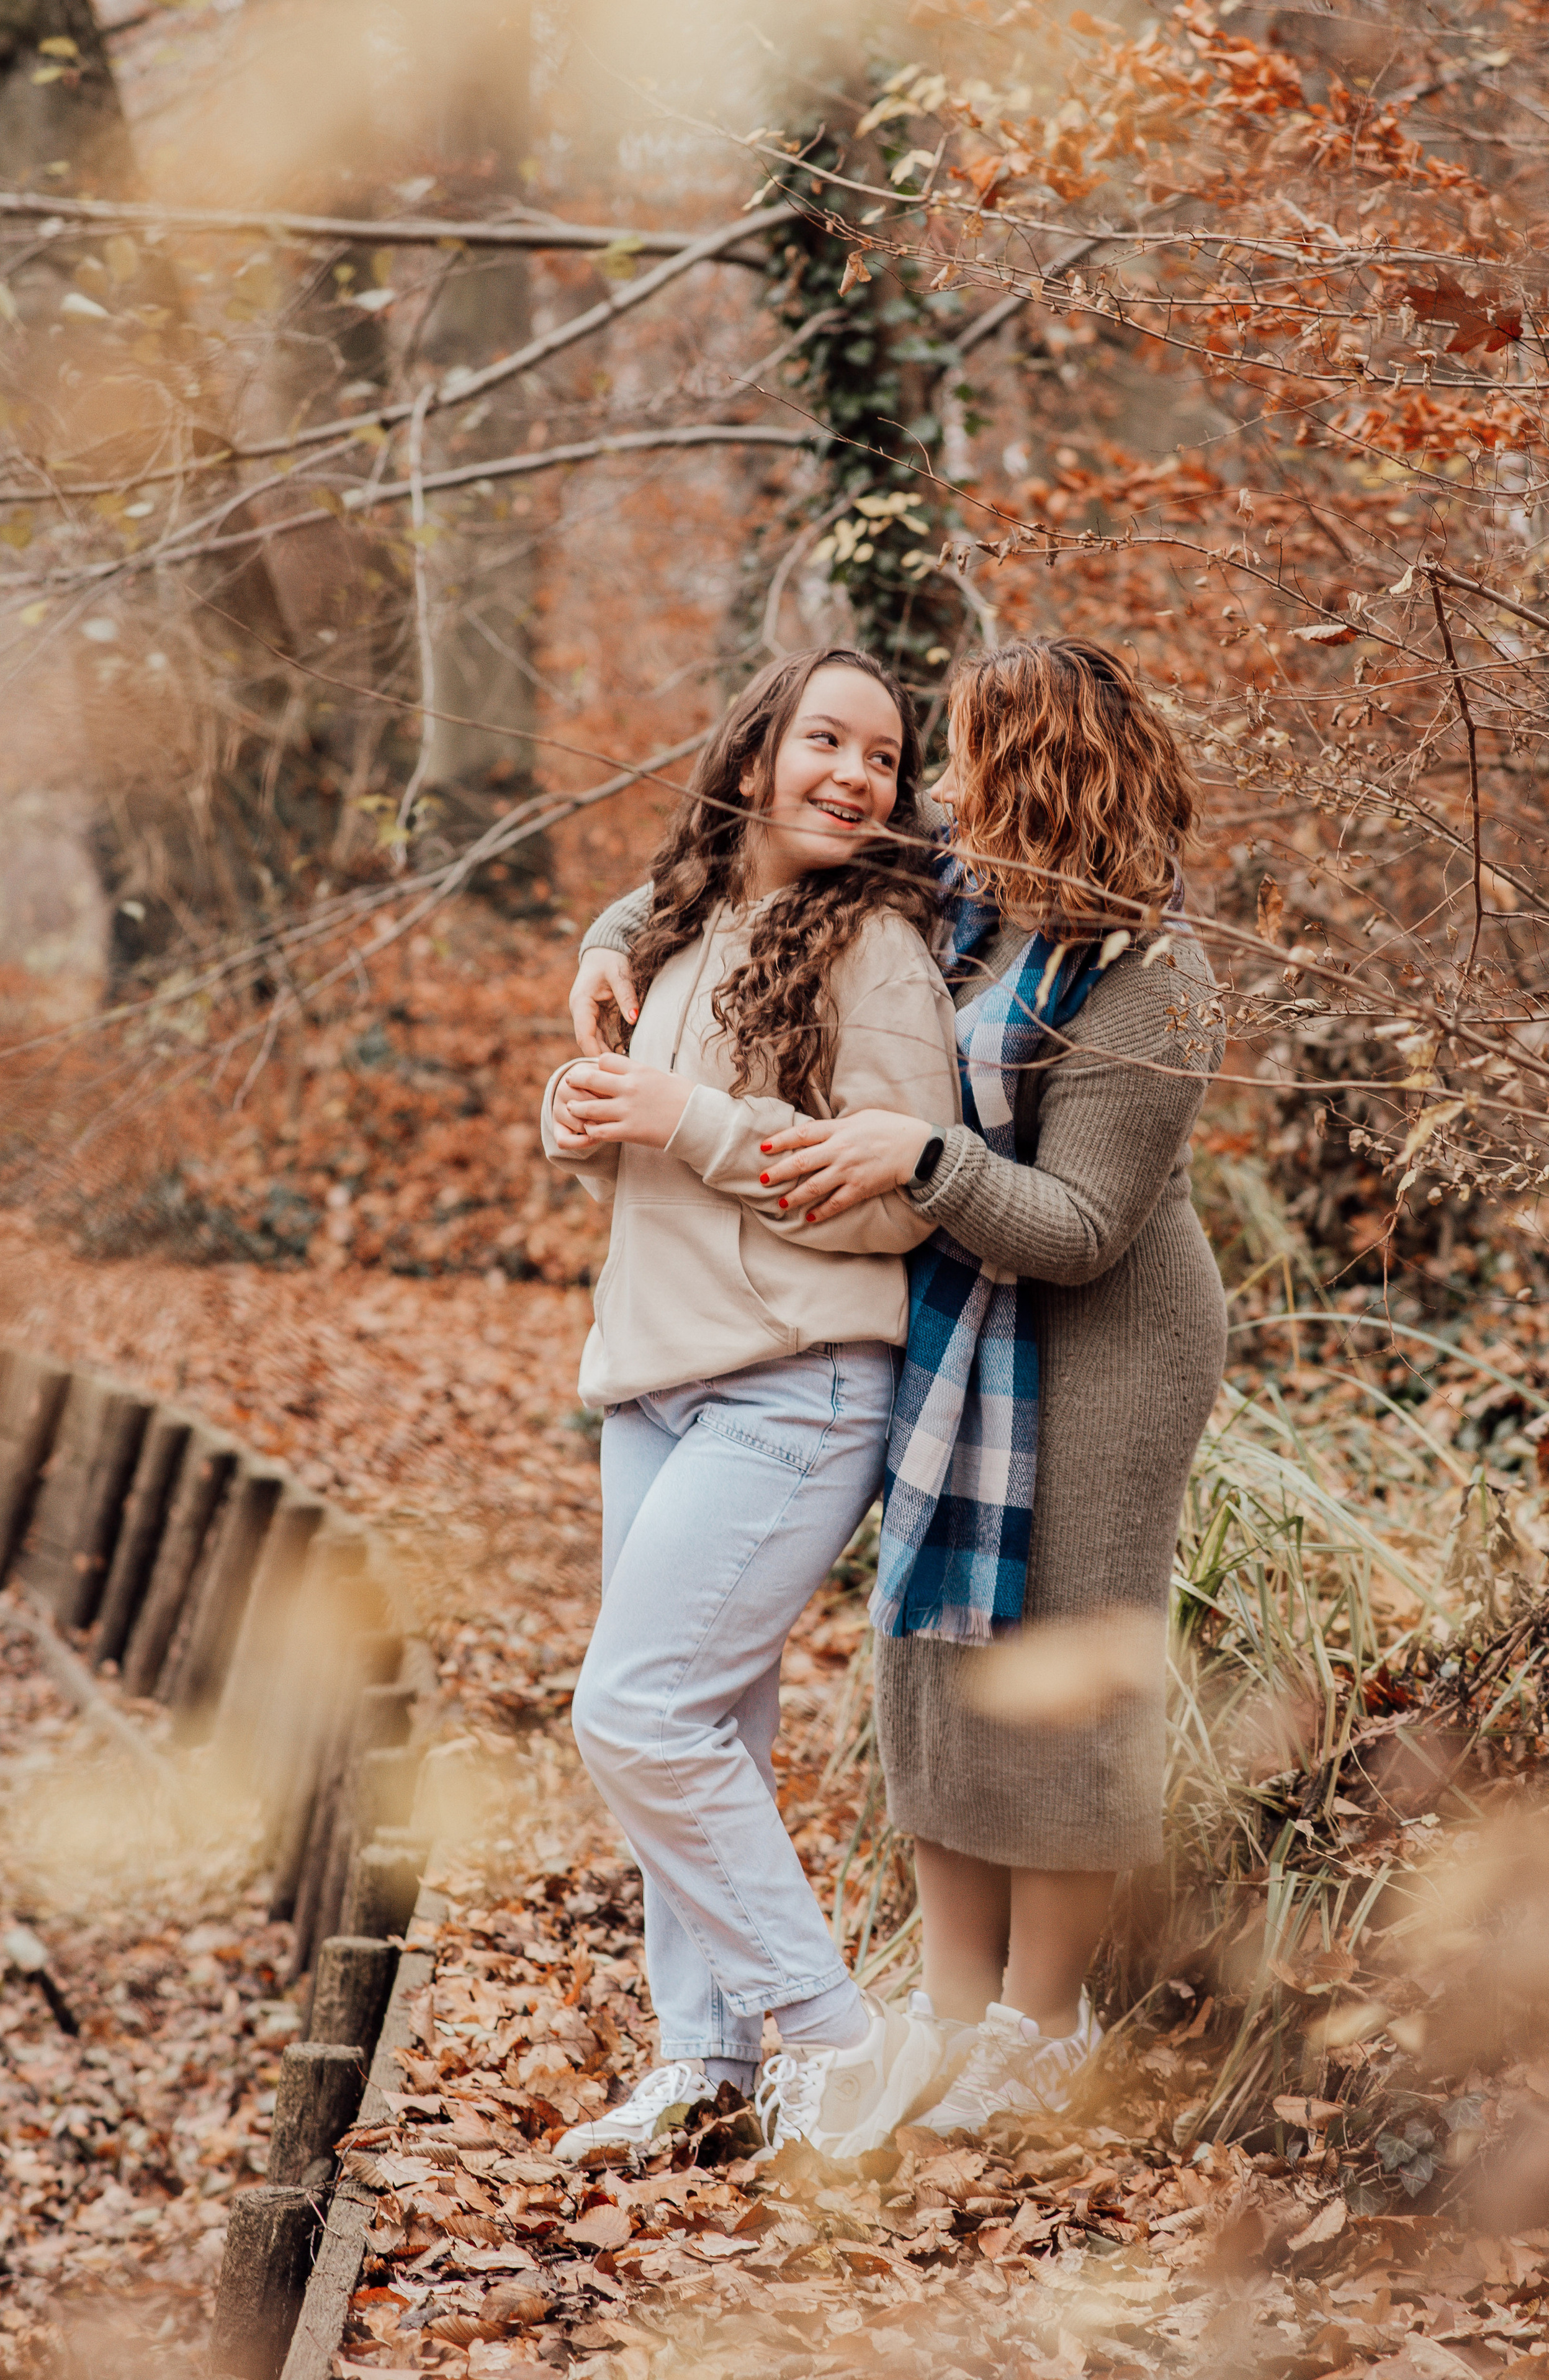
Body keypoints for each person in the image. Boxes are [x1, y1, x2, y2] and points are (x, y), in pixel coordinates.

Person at [570, 635, 1227, 2137]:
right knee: (933, 1638)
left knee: (1059, 1658)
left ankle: (1038, 2026)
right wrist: (611, 936)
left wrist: (920, 1161)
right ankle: (937, 2014)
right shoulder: (969, 893)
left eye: (963, 759)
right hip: (962, 1324)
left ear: (1039, 774)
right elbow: (744, 853)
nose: (922, 786)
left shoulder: (1153, 978)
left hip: (1104, 1336)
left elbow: (1078, 1229)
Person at [541, 646, 963, 2163]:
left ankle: (837, 2040)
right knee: (703, 1721)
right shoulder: (676, 928)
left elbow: (893, 1200)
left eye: (882, 757)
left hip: (795, 1390)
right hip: (651, 1385)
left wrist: (689, 1117)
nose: (855, 775)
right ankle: (702, 2061)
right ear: (752, 756)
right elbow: (633, 1126)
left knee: (633, 1712)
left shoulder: (881, 957)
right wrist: (585, 1106)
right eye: (826, 743)